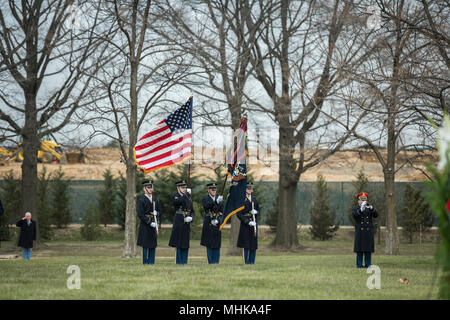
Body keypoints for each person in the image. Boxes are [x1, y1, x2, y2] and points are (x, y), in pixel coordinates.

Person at [169, 180, 195, 264]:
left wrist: (191, 217)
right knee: (178, 241)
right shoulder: (175, 196)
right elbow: (176, 202)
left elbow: (192, 210)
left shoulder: (188, 197)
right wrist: (186, 195)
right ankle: (178, 261)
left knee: (185, 242)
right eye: (182, 188)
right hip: (179, 220)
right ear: (178, 188)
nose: (184, 189)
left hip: (187, 221)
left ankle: (184, 261)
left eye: (185, 188)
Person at [137, 179, 162, 265]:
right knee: (145, 244)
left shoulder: (155, 199)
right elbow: (140, 214)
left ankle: (151, 262)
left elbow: (160, 211)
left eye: (151, 187)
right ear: (144, 189)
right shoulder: (141, 200)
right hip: (145, 224)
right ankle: (145, 262)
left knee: (152, 244)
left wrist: (157, 213)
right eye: (148, 187)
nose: (150, 189)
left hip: (154, 223)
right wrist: (149, 222)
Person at [352, 192, 378, 268]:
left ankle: (368, 264)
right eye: (361, 200)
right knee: (359, 250)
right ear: (358, 201)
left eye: (364, 200)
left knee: (368, 250)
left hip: (368, 232)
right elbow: (354, 215)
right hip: (360, 232)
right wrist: (360, 210)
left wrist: (372, 209)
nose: (362, 201)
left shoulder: (369, 209)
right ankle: (359, 265)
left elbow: (376, 215)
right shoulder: (356, 209)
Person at [200, 182, 224, 264]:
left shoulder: (219, 199)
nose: (214, 191)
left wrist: (218, 219)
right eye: (212, 190)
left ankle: (216, 262)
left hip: (217, 222)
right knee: (209, 242)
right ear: (208, 190)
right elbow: (206, 206)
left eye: (215, 190)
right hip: (209, 222)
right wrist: (215, 202)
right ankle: (209, 261)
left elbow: (222, 211)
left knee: (217, 243)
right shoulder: (205, 198)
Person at [237, 181, 259, 264]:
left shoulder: (254, 199)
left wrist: (256, 212)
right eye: (248, 188)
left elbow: (258, 211)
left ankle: (251, 262)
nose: (250, 189)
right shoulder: (241, 199)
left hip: (253, 224)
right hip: (245, 225)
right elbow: (239, 214)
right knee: (245, 244)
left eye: (251, 188)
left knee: (253, 245)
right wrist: (247, 221)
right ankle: (245, 262)